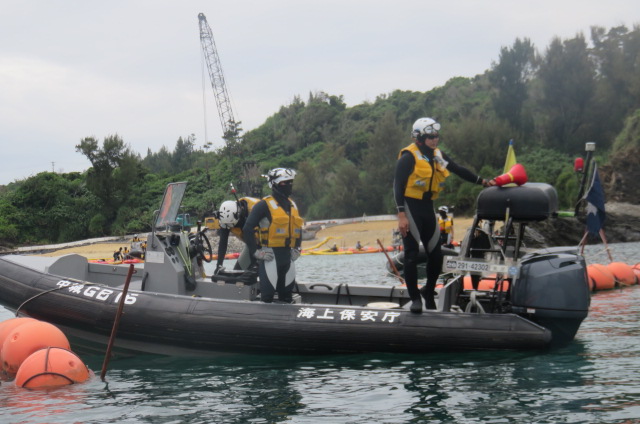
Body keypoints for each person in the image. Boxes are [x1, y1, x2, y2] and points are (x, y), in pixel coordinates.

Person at [394, 117, 493, 313]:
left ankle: (429, 292)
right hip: (410, 207)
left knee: (436, 254)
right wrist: (401, 214)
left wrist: (482, 181)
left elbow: (457, 169)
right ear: (419, 138)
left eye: (436, 136)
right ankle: (415, 298)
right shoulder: (409, 156)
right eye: (430, 136)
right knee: (411, 254)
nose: (434, 140)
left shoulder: (437, 156)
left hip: (427, 206)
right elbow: (397, 185)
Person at [243, 168, 304, 303]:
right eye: (284, 183)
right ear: (274, 184)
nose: (288, 186)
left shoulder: (292, 204)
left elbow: (298, 229)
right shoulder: (263, 205)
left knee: (287, 297)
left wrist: (298, 248)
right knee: (267, 297)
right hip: (270, 257)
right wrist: (256, 252)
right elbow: (247, 228)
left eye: (290, 182)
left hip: (288, 257)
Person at [215, 197, 260, 272]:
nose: (232, 228)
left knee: (263, 272)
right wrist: (219, 265)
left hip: (270, 245)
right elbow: (223, 242)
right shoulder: (225, 218)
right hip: (251, 244)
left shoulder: (256, 208)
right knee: (238, 272)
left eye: (233, 225)